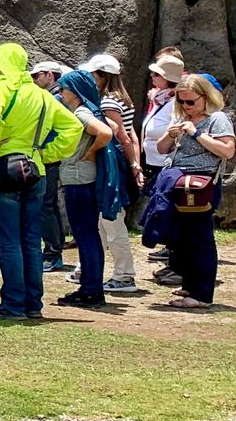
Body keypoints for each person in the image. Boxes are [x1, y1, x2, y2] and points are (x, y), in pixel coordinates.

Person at [0, 43, 84, 320]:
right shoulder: (42, 95)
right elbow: (73, 127)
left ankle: (13, 304)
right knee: (30, 240)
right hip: (34, 168)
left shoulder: (0, 86)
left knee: (9, 242)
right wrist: (46, 153)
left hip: (2, 166)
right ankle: (33, 305)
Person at [158, 75, 236, 309]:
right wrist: (170, 135)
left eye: (190, 102)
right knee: (181, 239)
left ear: (205, 97)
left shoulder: (217, 119)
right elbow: (161, 149)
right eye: (181, 102)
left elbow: (227, 151)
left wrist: (196, 133)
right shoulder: (182, 117)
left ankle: (201, 295)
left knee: (200, 239)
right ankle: (190, 284)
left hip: (200, 186)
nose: (185, 106)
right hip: (178, 183)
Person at [51, 69, 116, 308]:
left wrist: (88, 152)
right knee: (88, 235)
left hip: (79, 180)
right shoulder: (87, 110)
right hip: (83, 180)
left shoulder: (80, 113)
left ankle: (91, 289)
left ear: (75, 91)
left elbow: (106, 133)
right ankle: (90, 286)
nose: (61, 92)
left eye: (64, 88)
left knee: (85, 235)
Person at [83, 53, 142, 292]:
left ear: (101, 76)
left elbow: (122, 137)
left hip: (111, 166)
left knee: (112, 222)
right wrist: (135, 164)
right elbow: (132, 136)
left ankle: (125, 275)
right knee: (103, 222)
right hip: (120, 165)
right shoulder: (123, 100)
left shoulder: (107, 103)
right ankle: (89, 268)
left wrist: (132, 165)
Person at [139, 54, 184, 258]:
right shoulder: (160, 100)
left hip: (166, 165)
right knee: (163, 209)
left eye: (156, 74)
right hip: (153, 162)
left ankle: (175, 255)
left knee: (169, 211)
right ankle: (172, 253)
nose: (152, 77)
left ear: (167, 79)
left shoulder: (176, 102)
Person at [29, 60, 71, 273]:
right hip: (52, 157)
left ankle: (53, 253)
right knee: (50, 205)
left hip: (49, 157)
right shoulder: (58, 97)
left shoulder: (54, 99)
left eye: (37, 76)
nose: (34, 81)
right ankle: (55, 249)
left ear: (50, 75)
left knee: (46, 205)